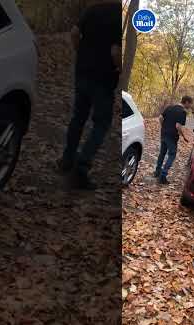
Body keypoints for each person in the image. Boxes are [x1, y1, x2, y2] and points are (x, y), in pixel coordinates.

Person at [57, 0, 122, 190]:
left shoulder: (93, 9)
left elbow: (74, 33)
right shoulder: (118, 15)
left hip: (83, 72)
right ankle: (81, 168)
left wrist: (82, 52)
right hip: (103, 79)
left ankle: (67, 160)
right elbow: (115, 51)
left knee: (78, 118)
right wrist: (119, 67)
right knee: (101, 124)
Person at [154, 96, 193, 184]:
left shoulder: (169, 107)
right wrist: (184, 136)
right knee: (172, 155)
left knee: (162, 153)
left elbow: (160, 118)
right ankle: (163, 176)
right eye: (190, 103)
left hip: (163, 134)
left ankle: (157, 171)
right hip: (172, 137)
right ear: (186, 102)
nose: (190, 106)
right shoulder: (182, 112)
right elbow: (178, 126)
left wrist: (163, 127)